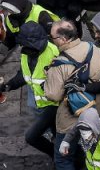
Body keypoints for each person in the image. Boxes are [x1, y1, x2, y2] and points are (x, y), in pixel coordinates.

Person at [45, 19, 100, 170]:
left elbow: (53, 95)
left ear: (63, 39)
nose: (51, 40)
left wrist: (48, 78)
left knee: (63, 159)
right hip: (97, 110)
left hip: (71, 118)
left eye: (52, 37)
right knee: (94, 153)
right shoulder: (95, 49)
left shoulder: (59, 64)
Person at [0, 23, 59, 157]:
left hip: (54, 106)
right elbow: (24, 75)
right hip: (41, 107)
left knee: (32, 137)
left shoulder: (54, 52)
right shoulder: (25, 54)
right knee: (53, 136)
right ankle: (57, 155)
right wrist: (7, 86)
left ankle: (59, 158)